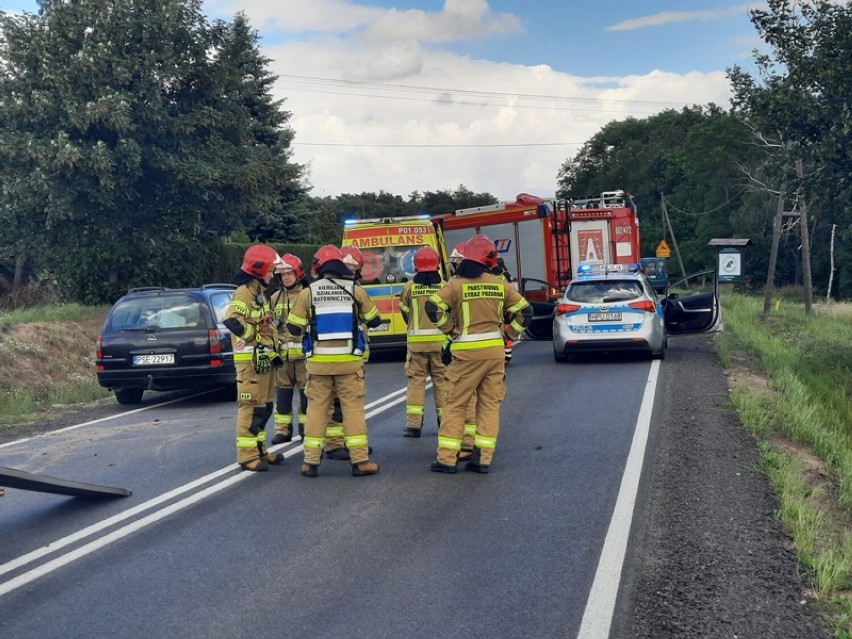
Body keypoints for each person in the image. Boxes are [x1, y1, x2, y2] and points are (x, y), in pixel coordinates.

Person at [425, 234, 532, 474]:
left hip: (465, 354)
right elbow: (526, 311)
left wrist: (449, 330)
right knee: (489, 405)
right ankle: (482, 459)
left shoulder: (456, 284)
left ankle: (447, 460)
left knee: (455, 404)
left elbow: (432, 306)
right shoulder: (500, 284)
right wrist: (509, 337)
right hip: (494, 353)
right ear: (489, 259)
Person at [285, 245, 383, 478]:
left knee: (317, 410)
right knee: (352, 410)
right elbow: (375, 320)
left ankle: (310, 462)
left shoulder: (308, 293)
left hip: (318, 364)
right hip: (349, 364)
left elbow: (293, 326)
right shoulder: (354, 290)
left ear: (319, 267)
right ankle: (359, 461)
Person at [223, 244, 286, 472]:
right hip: (250, 363)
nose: (273, 274)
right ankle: (247, 456)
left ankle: (260, 450)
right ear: (259, 270)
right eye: (271, 270)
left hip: (263, 361)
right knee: (251, 407)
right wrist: (253, 338)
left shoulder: (258, 291)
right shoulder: (244, 292)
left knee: (265, 407)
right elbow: (231, 320)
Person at [399, 245, 447, 438]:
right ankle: (444, 422)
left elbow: (405, 312)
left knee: (416, 384)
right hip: (441, 345)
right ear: (437, 265)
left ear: (415, 265)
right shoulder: (445, 286)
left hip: (417, 346)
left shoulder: (409, 287)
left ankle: (413, 426)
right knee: (443, 383)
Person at [270, 254, 309, 445]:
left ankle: (306, 429)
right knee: (283, 396)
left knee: (306, 396)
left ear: (298, 273)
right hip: (283, 358)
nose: (286, 277)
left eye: (289, 273)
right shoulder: (275, 298)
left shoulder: (308, 295)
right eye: (282, 274)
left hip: (304, 357)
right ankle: (282, 431)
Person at [492, 257, 519, 365]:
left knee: (499, 332)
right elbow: (514, 292)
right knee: (507, 333)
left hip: (497, 308)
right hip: (507, 308)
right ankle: (507, 356)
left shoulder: (491, 276)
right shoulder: (507, 276)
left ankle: (502, 356)